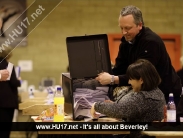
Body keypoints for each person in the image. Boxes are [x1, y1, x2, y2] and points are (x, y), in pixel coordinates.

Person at [96, 5, 181, 108]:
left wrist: (113, 79)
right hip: (147, 94)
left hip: (167, 95)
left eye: (127, 28)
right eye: (121, 28)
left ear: (139, 25)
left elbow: (141, 75)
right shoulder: (125, 43)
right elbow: (119, 69)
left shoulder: (151, 42)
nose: (123, 32)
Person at [91, 59, 166, 138]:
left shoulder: (145, 97)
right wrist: (115, 106)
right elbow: (129, 109)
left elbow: (119, 110)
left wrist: (96, 106)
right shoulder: (156, 92)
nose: (129, 82)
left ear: (141, 80)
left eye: (131, 79)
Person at [0, 46, 21, 138]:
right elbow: (13, 83)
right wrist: (19, 80)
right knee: (5, 129)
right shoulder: (8, 66)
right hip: (7, 102)